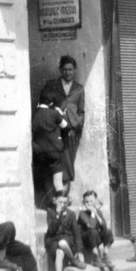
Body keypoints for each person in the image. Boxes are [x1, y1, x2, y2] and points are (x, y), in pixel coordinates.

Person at [40, 55, 85, 184]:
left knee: (67, 166)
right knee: (54, 165)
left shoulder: (79, 88)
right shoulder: (51, 85)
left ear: (75, 70)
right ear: (60, 70)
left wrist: (76, 127)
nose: (67, 72)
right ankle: (56, 194)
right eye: (64, 69)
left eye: (70, 69)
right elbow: (43, 107)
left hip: (70, 132)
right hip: (54, 131)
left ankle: (64, 192)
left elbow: (81, 112)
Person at [31, 91, 68, 206]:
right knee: (57, 179)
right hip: (54, 150)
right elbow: (65, 126)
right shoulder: (54, 113)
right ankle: (60, 203)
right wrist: (61, 114)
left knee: (46, 177)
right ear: (51, 103)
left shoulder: (33, 114)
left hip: (39, 152)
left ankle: (50, 203)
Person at [43, 189, 80, 271]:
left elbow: (76, 233)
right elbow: (51, 230)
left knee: (62, 246)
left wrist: (79, 251)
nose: (62, 205)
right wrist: (58, 215)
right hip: (53, 239)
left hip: (67, 241)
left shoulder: (71, 214)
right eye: (60, 202)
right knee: (59, 251)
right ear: (54, 201)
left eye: (65, 202)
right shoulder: (50, 212)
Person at [76, 189, 115, 271]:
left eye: (91, 201)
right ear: (84, 202)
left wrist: (96, 213)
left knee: (108, 231)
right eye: (87, 202)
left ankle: (105, 255)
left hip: (94, 238)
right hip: (85, 240)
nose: (89, 204)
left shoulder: (98, 212)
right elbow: (91, 226)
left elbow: (104, 226)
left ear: (96, 201)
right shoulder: (82, 213)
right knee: (93, 231)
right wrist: (93, 213)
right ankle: (96, 257)